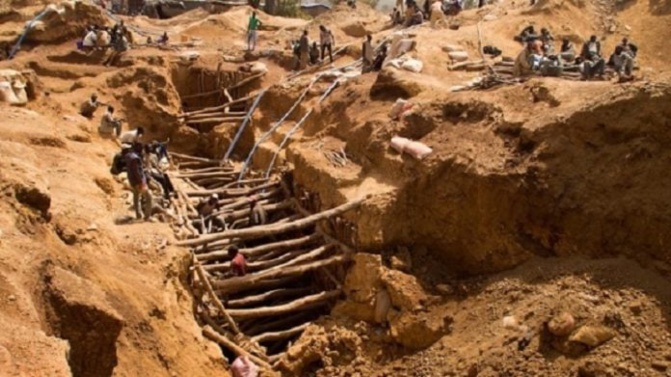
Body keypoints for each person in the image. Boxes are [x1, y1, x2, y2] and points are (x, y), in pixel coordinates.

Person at [124, 143, 153, 221]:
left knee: (136, 197)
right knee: (149, 197)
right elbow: (137, 172)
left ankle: (138, 215)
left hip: (132, 180)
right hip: (138, 182)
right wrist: (141, 182)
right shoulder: (136, 159)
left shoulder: (128, 156)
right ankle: (147, 216)